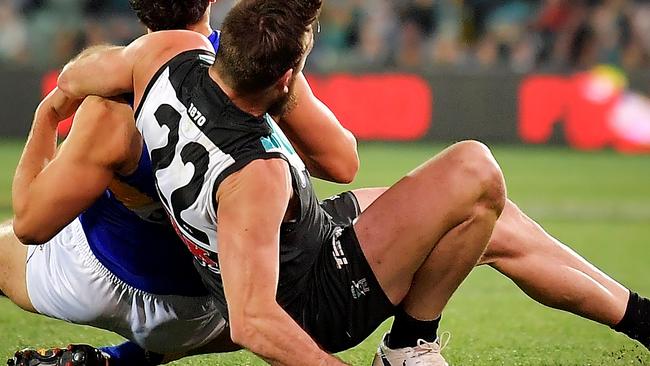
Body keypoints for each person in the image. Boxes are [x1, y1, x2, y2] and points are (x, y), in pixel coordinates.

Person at [56, 0, 507, 364]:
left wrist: (51, 112)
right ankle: (410, 344)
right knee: (476, 174)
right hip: (312, 296)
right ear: (286, 76)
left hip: (218, 263)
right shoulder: (256, 169)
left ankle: (118, 358)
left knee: (494, 220)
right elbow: (253, 321)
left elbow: (74, 77)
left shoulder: (163, 66)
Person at [3, 1, 359, 365]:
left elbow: (31, 225)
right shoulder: (251, 68)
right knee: (267, 281)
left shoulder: (110, 104)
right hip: (207, 305)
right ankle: (123, 359)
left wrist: (46, 116)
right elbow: (343, 163)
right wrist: (280, 90)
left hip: (93, 280)